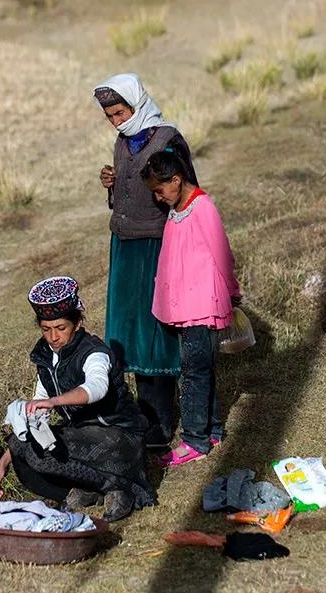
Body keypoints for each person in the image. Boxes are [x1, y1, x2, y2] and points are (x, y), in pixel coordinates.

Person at [0, 276, 156, 522]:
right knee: (20, 446)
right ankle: (87, 490)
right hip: (82, 435)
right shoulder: (46, 357)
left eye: (61, 328)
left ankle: (119, 487)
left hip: (119, 437)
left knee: (40, 452)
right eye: (46, 329)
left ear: (77, 324)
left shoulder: (94, 352)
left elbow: (96, 387)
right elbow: (38, 404)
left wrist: (55, 402)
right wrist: (1, 465)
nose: (53, 337)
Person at [93, 72, 199, 448]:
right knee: (129, 331)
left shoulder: (168, 139)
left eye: (121, 113)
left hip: (156, 245)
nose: (116, 121)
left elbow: (187, 193)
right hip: (124, 245)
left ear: (137, 104)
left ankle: (163, 421)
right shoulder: (123, 142)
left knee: (155, 331)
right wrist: (113, 183)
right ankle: (144, 414)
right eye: (110, 116)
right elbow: (125, 195)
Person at [140, 151, 242, 467]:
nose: (158, 198)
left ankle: (195, 440)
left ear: (176, 180)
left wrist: (232, 291)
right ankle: (212, 431)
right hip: (187, 306)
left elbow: (221, 253)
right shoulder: (177, 210)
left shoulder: (202, 208)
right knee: (200, 370)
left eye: (160, 190)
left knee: (193, 373)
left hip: (201, 306)